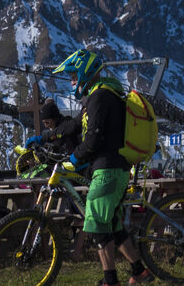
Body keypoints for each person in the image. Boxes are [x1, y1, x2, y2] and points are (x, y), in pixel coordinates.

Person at [54, 49, 153, 286]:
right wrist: (46, 136)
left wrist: (74, 159)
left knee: (97, 226)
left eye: (74, 76)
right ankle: (140, 272)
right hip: (115, 169)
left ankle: (110, 280)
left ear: (85, 72)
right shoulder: (100, 95)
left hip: (108, 171)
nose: (71, 81)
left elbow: (94, 138)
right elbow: (75, 126)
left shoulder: (101, 97)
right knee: (113, 226)